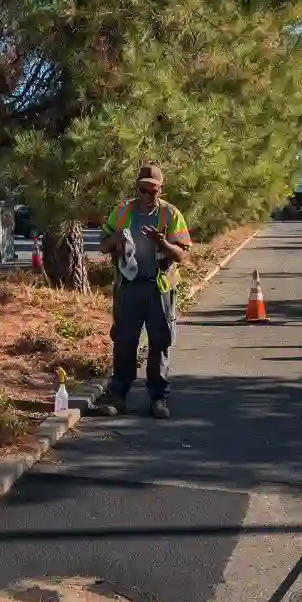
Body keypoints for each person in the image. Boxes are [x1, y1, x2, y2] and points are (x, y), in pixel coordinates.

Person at [93, 164, 193, 419]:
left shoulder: (171, 214)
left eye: (154, 191)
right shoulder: (122, 211)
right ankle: (118, 397)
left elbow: (183, 254)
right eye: (143, 190)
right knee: (125, 343)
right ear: (137, 188)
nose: (148, 196)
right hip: (128, 288)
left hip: (159, 289)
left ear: (161, 189)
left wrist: (163, 243)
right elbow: (103, 246)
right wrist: (115, 240)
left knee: (160, 343)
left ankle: (158, 399)